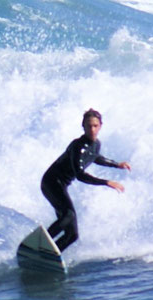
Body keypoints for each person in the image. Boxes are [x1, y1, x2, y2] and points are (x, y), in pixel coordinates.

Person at [40, 108, 129, 252]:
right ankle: (40, 244)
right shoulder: (77, 146)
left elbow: (96, 157)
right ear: (83, 127)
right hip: (51, 182)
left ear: (100, 126)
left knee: (72, 235)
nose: (92, 129)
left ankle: (48, 254)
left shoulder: (95, 144)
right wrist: (106, 182)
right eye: (89, 126)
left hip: (61, 185)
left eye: (95, 126)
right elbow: (80, 175)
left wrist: (116, 164)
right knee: (68, 215)